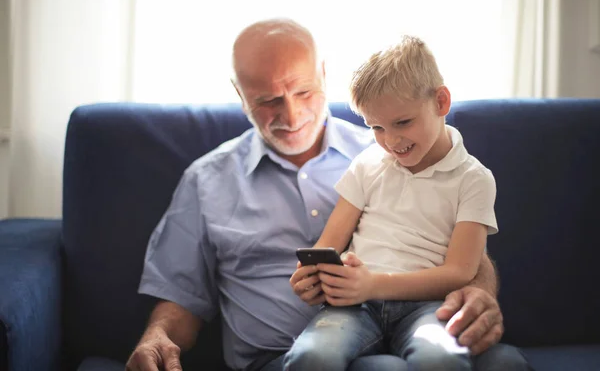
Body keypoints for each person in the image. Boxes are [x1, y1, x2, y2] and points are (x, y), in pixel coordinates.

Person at [125, 19, 529, 371]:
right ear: (239, 93)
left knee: (505, 363)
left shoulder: (390, 148)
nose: (291, 114)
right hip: (285, 355)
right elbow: (181, 297)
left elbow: (465, 253)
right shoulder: (207, 180)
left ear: (323, 73)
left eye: (303, 92)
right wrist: (157, 337)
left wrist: (478, 289)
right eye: (267, 101)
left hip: (414, 323)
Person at [284, 36, 521, 371]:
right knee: (311, 357)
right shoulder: (367, 164)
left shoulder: (474, 178)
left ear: (441, 101)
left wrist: (373, 284)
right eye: (377, 127)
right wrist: (312, 275)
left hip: (426, 307)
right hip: (357, 306)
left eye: (403, 122)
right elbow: (328, 244)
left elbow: (461, 271)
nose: (391, 141)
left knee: (440, 359)